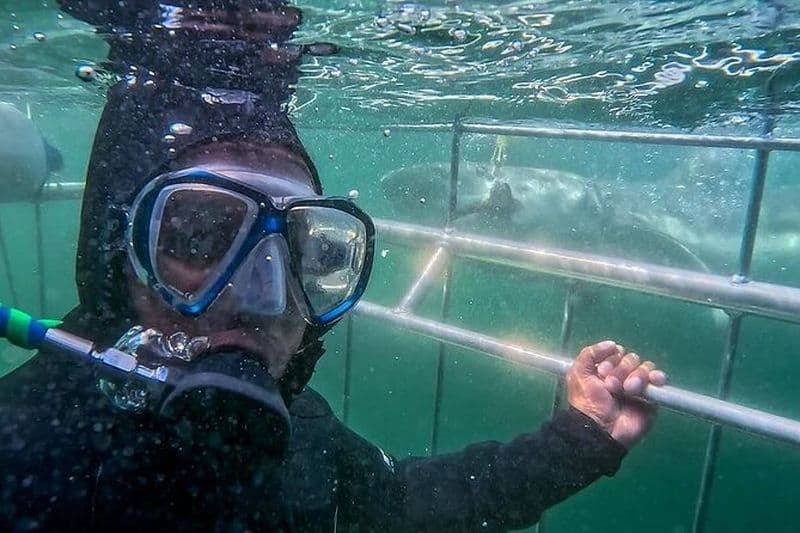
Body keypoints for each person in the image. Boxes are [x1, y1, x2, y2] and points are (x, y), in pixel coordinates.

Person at [0, 1, 667, 531]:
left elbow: (402, 504)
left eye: (309, 251)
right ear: (119, 255)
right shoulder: (16, 453)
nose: (265, 295)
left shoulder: (302, 435)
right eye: (201, 235)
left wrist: (579, 438)